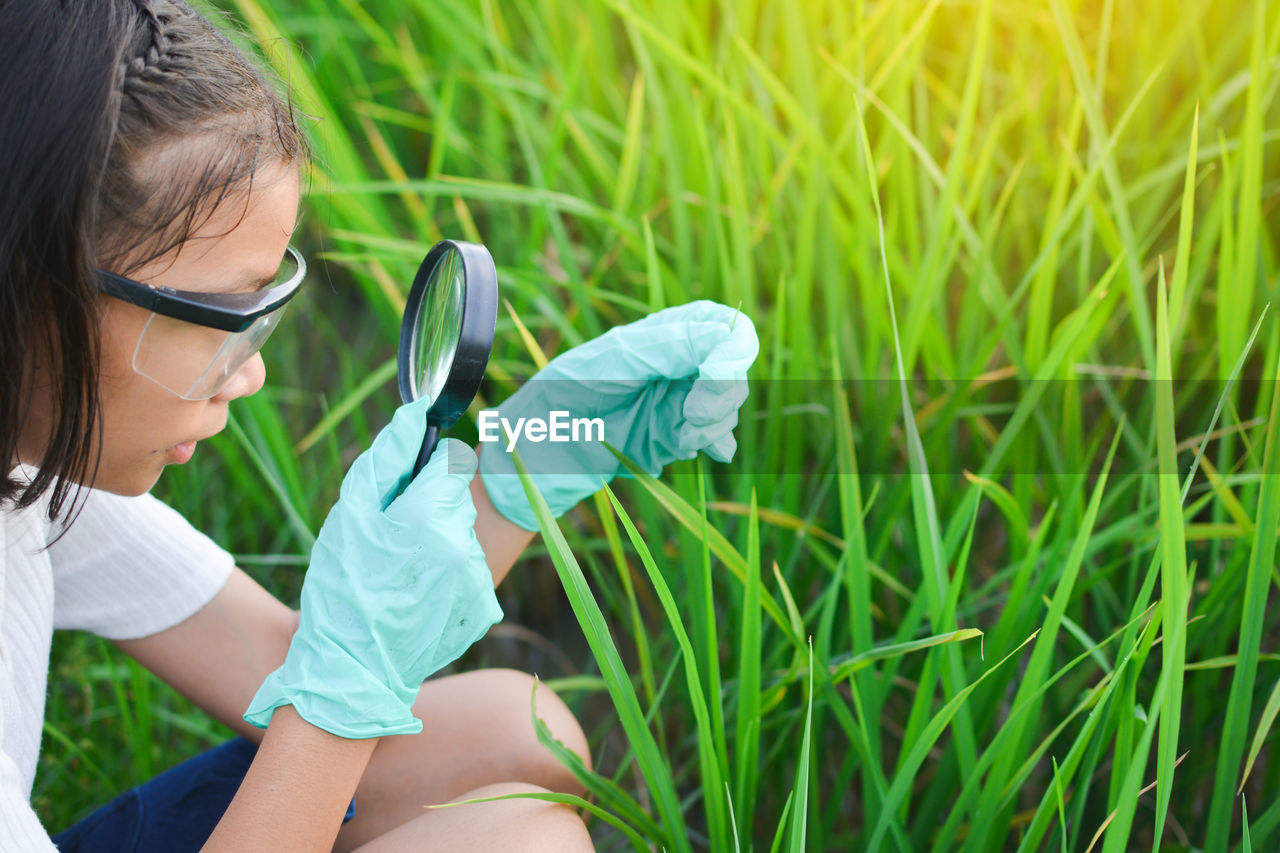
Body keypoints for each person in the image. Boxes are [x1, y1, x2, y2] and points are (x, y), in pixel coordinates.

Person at [0, 0, 759, 850]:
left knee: (517, 728)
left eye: (263, 311)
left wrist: (529, 461)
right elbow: (329, 686)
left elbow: (279, 663)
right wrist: (347, 679)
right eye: (219, 315)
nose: (248, 373)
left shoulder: (31, 469)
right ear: (30, 283)